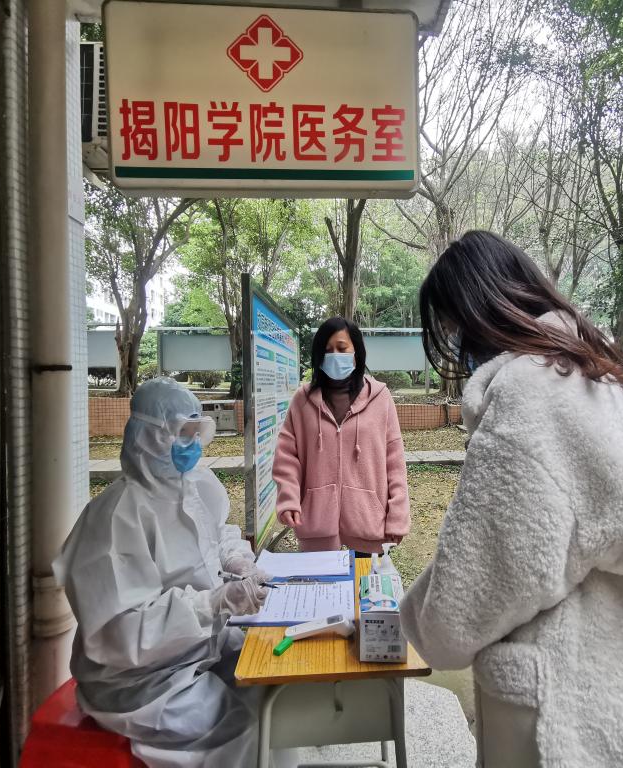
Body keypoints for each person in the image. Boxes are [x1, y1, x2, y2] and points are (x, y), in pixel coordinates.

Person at [400, 231, 623, 767]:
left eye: (453, 326)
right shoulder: (587, 375)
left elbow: (474, 595)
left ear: (477, 312)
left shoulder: (528, 394)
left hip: (578, 708)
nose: (456, 343)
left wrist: (408, 622)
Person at [53, 377, 271, 768]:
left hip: (197, 647)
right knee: (247, 727)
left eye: (196, 433)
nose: (192, 445)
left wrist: (238, 560)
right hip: (141, 681)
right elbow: (125, 634)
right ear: (151, 436)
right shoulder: (116, 517)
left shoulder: (194, 483)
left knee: (272, 686)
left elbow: (219, 533)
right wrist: (214, 603)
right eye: (182, 433)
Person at [273, 317, 410, 554]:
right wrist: (288, 498)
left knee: (364, 580)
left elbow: (395, 462)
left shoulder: (381, 398)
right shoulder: (302, 400)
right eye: (327, 350)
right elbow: (287, 457)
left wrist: (397, 514)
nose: (334, 355)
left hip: (369, 526)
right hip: (316, 528)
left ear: (356, 352)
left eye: (342, 348)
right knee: (320, 580)